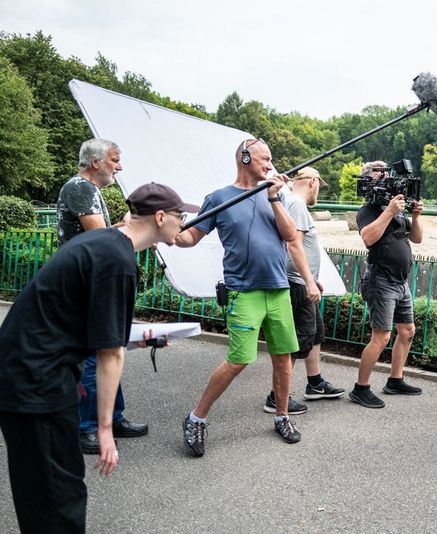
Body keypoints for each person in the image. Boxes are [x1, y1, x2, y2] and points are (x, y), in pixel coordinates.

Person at [0, 183, 197, 533]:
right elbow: (109, 354)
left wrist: (141, 338)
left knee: (49, 488)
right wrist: (105, 430)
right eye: (180, 217)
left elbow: (98, 331)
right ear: (160, 217)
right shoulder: (117, 261)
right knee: (55, 497)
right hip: (36, 381)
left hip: (28, 372)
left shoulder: (104, 243)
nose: (182, 224)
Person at [176, 138, 302, 454]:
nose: (270, 165)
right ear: (245, 157)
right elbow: (191, 236)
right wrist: (169, 235)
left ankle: (282, 416)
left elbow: (289, 236)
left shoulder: (275, 194)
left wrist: (274, 198)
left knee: (283, 358)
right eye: (265, 159)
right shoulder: (219, 198)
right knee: (238, 360)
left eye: (271, 160)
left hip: (278, 288)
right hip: (243, 292)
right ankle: (196, 418)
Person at [56, 138, 149, 454]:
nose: (119, 166)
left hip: (95, 282)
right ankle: (87, 428)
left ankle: (114, 416)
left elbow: (106, 237)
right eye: (114, 159)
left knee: (108, 350)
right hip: (85, 285)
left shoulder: (91, 191)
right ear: (95, 162)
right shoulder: (80, 188)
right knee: (96, 356)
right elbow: (99, 239)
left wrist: (129, 226)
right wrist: (137, 230)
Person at [263, 166, 345, 415]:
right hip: (296, 283)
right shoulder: (297, 205)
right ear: (312, 182)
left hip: (302, 280)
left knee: (315, 334)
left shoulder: (289, 202)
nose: (318, 190)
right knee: (298, 340)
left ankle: (315, 383)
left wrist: (312, 278)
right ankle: (276, 397)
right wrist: (308, 280)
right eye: (319, 184)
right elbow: (293, 246)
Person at [348, 161, 424, 409]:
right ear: (369, 179)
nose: (386, 178)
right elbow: (368, 238)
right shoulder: (368, 210)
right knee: (381, 336)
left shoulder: (395, 207)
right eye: (380, 174)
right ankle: (361, 388)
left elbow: (417, 238)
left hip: (401, 282)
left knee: (407, 330)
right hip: (381, 280)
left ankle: (395, 380)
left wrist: (414, 215)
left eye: (386, 174)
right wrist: (389, 212)